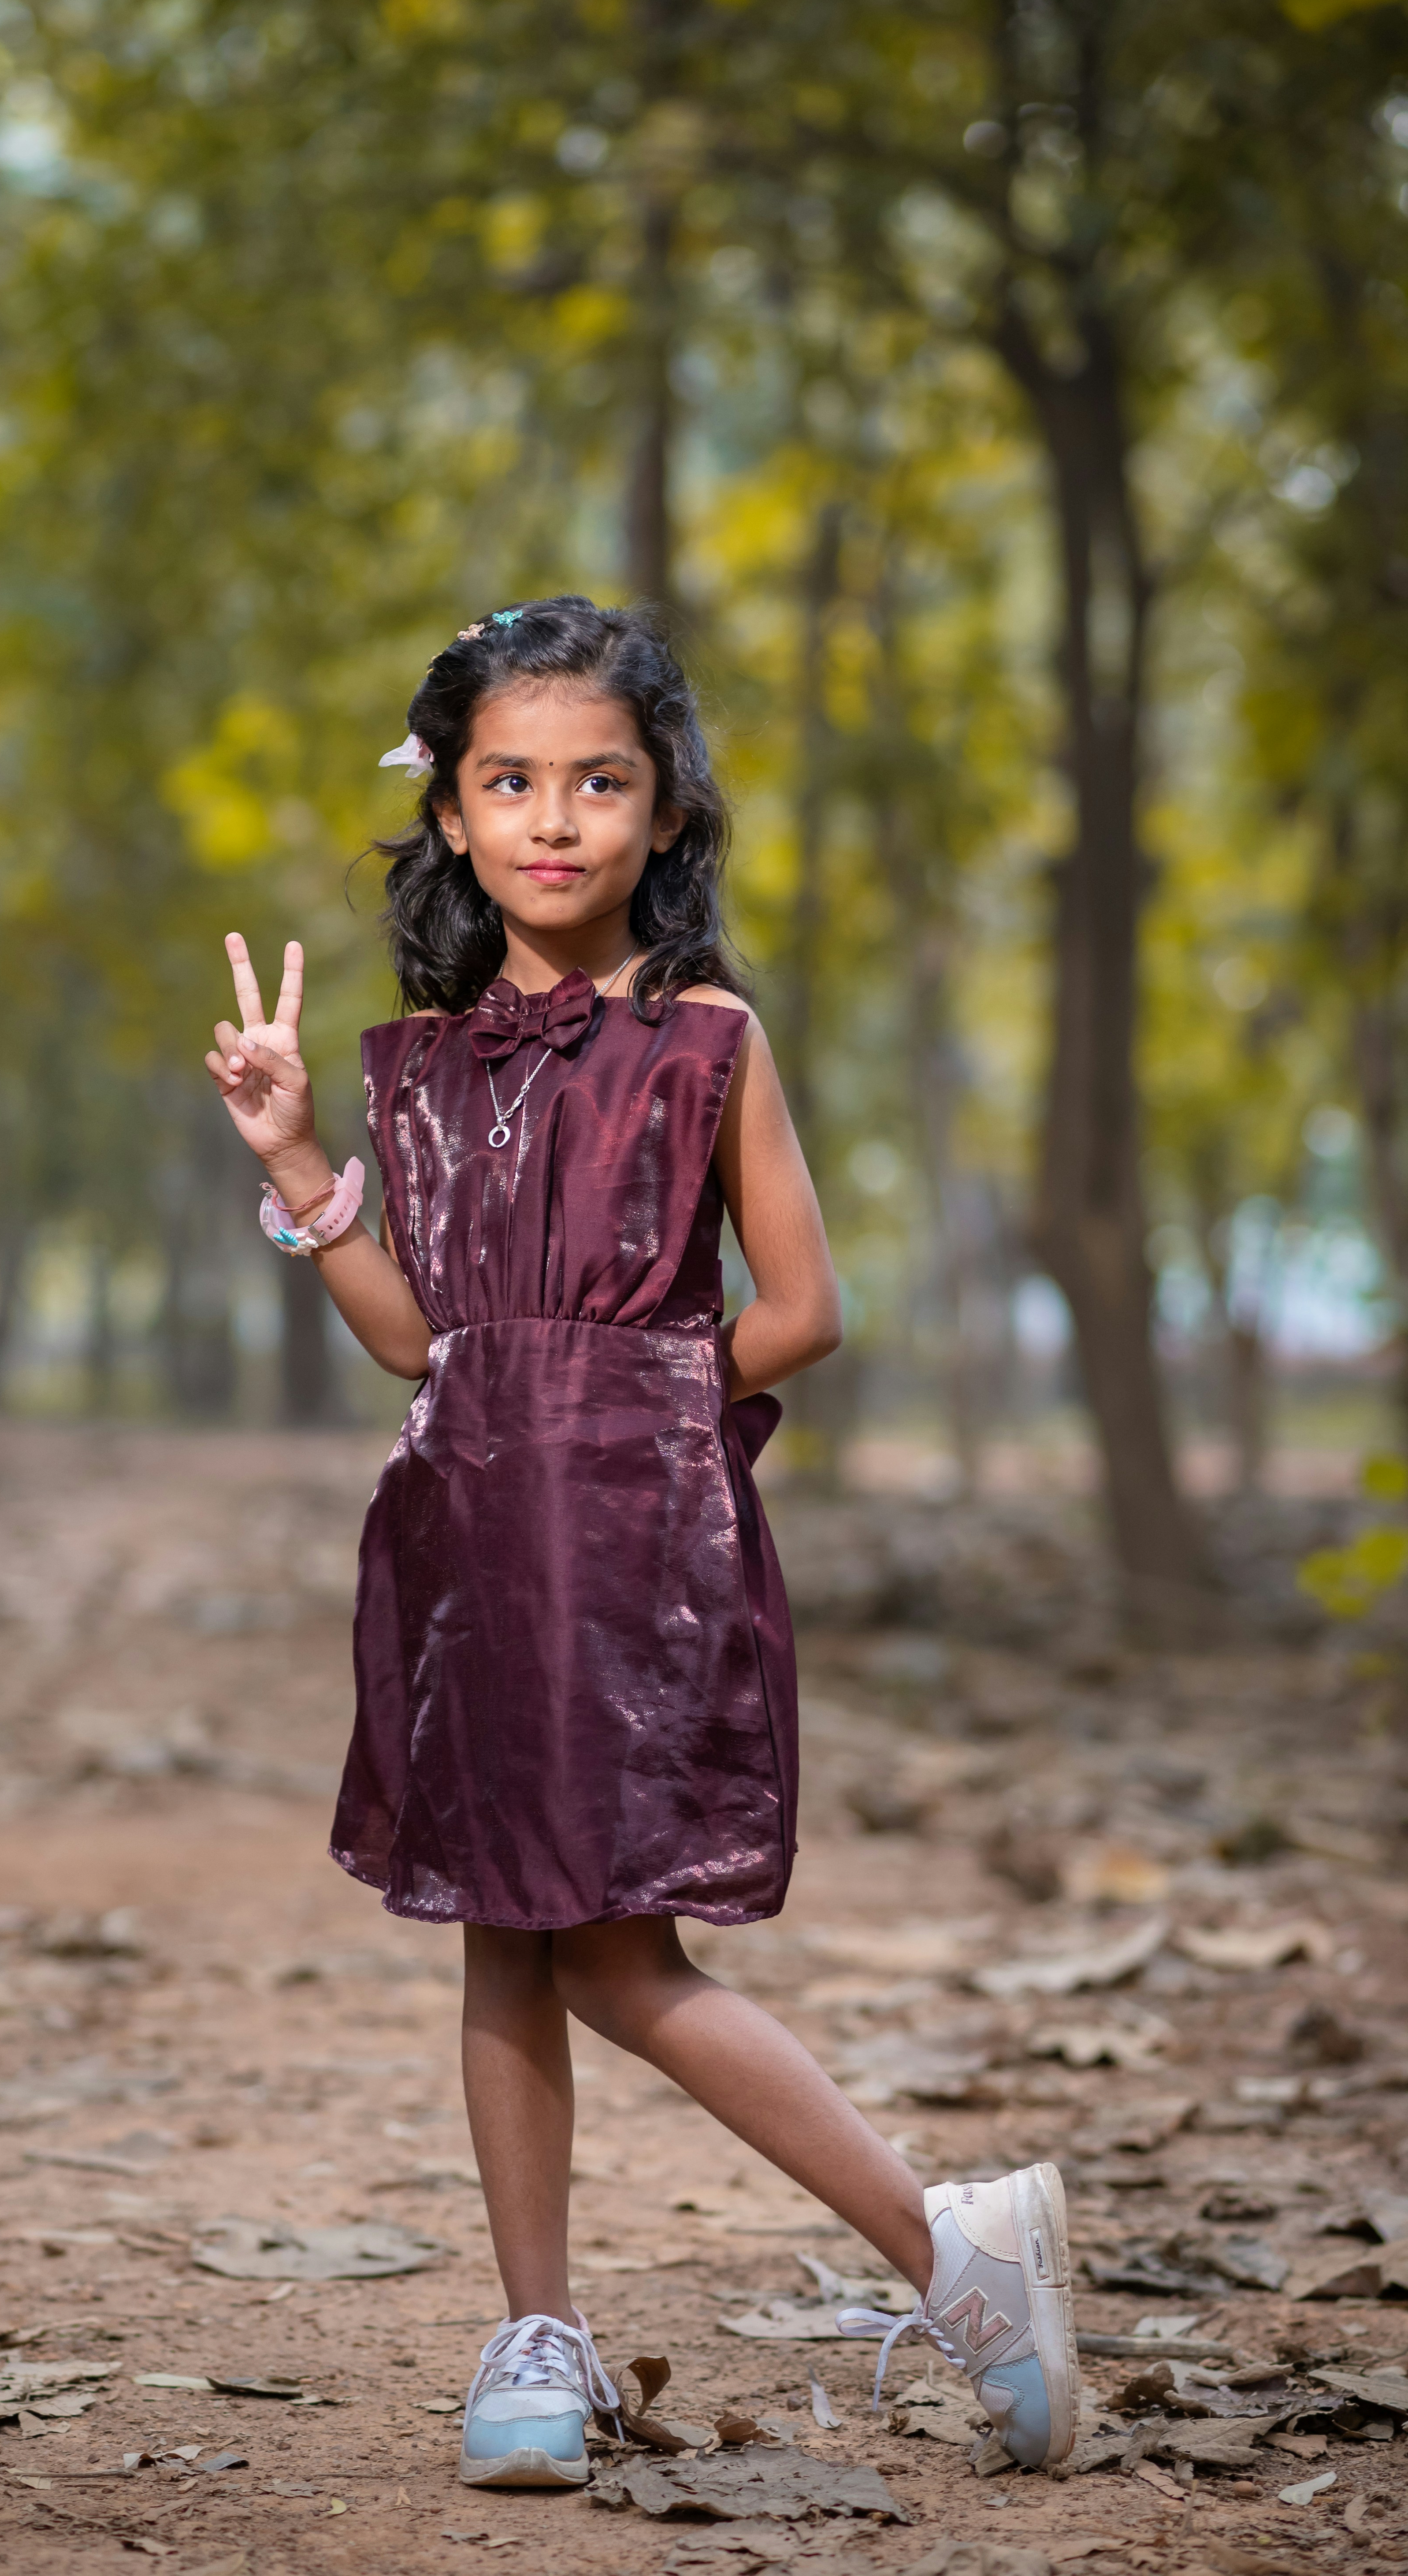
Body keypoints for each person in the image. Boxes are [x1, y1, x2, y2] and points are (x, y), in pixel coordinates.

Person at [204, 595, 1079, 2493]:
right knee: (501, 1944)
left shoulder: (704, 1039)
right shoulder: (418, 1066)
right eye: (507, 781)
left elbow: (808, 1306)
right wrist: (293, 1162)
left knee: (614, 1951)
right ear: (446, 811)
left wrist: (638, 1411)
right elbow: (413, 1341)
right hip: (461, 1543)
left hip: (634, 1538)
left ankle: (951, 2255)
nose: (551, 817)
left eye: (597, 782)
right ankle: (539, 2334)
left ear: (663, 811)